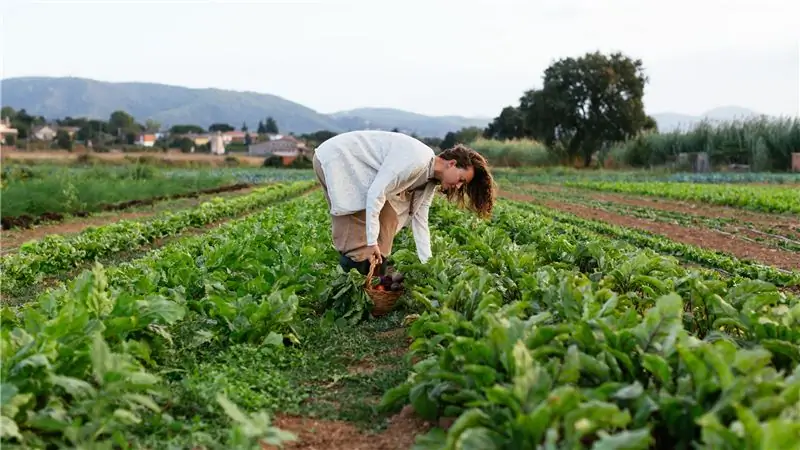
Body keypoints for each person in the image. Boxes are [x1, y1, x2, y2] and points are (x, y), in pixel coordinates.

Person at [312, 129, 495, 276]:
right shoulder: (418, 159)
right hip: (338, 158)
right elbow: (376, 193)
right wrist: (371, 241)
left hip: (358, 169)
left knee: (389, 218)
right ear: (452, 164)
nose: (458, 186)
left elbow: (420, 222)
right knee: (353, 227)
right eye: (461, 179)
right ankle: (353, 286)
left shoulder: (429, 182)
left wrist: (428, 264)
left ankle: (376, 274)